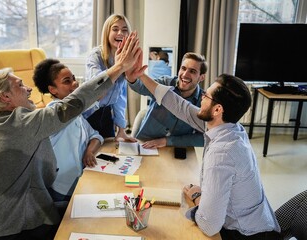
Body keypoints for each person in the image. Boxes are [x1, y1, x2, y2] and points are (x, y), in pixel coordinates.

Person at [0, 32, 141, 240]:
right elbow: (71, 105)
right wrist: (117, 68)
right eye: (20, 85)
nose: (28, 89)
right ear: (5, 97)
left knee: (89, 210)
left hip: (11, 215)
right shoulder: (19, 123)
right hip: (5, 230)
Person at [126, 54, 281, 239]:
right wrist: (141, 75)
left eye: (206, 95)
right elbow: (179, 105)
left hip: (245, 234)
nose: (201, 98)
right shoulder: (230, 127)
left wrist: (197, 196)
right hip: (256, 221)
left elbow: (209, 225)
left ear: (217, 110)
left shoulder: (222, 154)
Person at [33, 58, 103, 213]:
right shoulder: (54, 113)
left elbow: (96, 136)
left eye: (73, 79)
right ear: (53, 90)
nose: (74, 84)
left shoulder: (76, 115)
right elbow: (90, 96)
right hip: (61, 187)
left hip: (80, 182)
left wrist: (89, 151)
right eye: (67, 81)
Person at [127, 52, 206, 148]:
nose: (185, 75)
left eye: (192, 71)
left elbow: (203, 138)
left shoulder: (204, 102)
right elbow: (141, 87)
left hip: (174, 148)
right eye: (183, 68)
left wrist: (167, 141)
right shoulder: (165, 82)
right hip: (146, 143)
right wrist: (132, 79)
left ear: (201, 77)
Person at [83, 14, 136, 142]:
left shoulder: (125, 60)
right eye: (115, 29)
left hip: (107, 114)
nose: (120, 33)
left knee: (108, 153)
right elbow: (97, 88)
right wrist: (119, 67)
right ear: (107, 32)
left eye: (124, 30)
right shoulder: (95, 56)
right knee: (88, 155)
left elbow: (119, 97)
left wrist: (121, 130)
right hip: (88, 114)